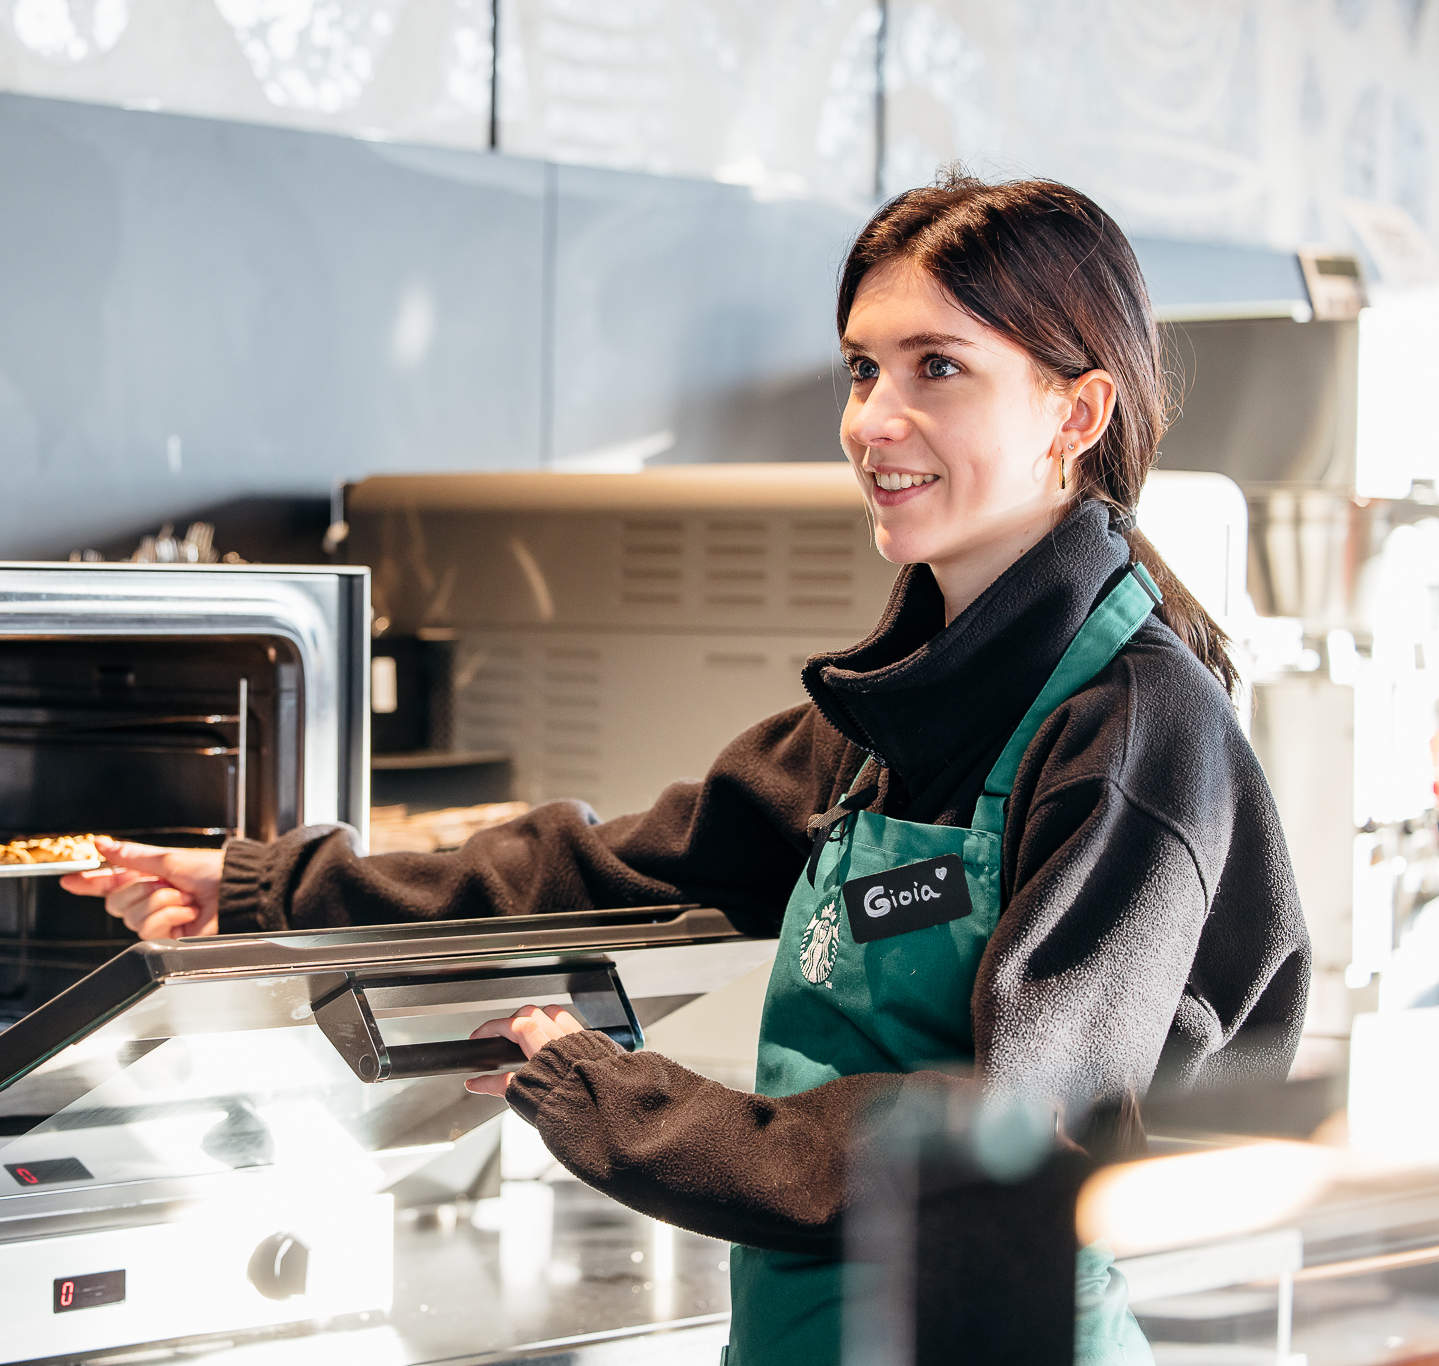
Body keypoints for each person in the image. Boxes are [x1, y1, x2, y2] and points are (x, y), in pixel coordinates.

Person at [64, 171, 1310, 1365]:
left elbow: (1006, 1136)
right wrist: (269, 889)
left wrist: (626, 1106)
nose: (874, 419)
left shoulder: (1134, 729)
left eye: (938, 366)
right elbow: (610, 868)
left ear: (1073, 413)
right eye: (863, 367)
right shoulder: (912, 700)